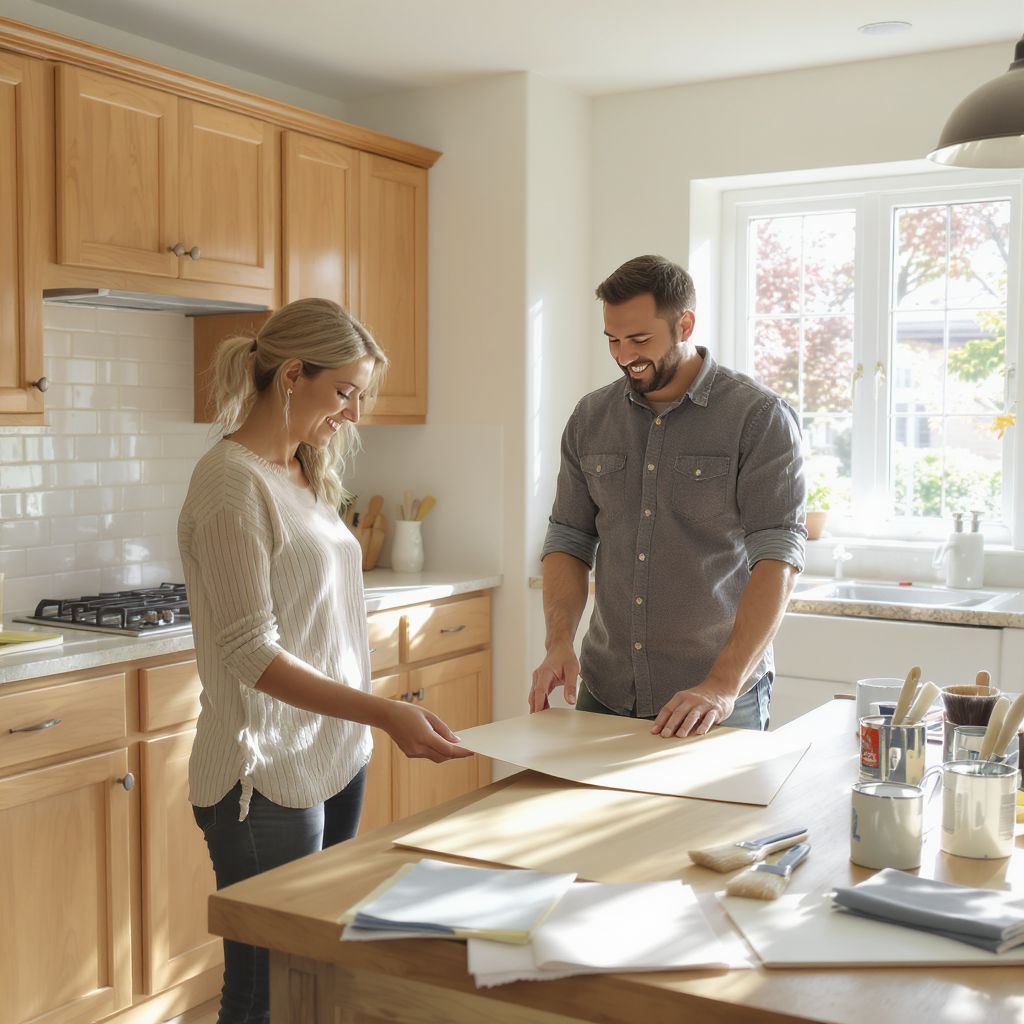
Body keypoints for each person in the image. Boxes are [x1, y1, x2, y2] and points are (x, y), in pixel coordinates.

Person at [178, 298, 473, 1024]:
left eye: (359, 396)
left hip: (333, 753)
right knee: (263, 989)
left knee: (315, 974)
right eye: (343, 392)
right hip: (264, 774)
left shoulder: (303, 472)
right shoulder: (230, 483)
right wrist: (384, 711)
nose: (351, 413)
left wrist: (369, 721)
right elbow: (251, 652)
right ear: (291, 374)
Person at [529, 255, 805, 738]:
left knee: (716, 819)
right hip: (605, 689)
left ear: (685, 324)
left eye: (639, 339)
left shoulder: (758, 418)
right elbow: (569, 539)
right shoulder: (590, 418)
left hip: (717, 699)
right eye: (612, 339)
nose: (623, 355)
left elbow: (778, 555)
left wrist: (722, 682)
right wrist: (558, 643)